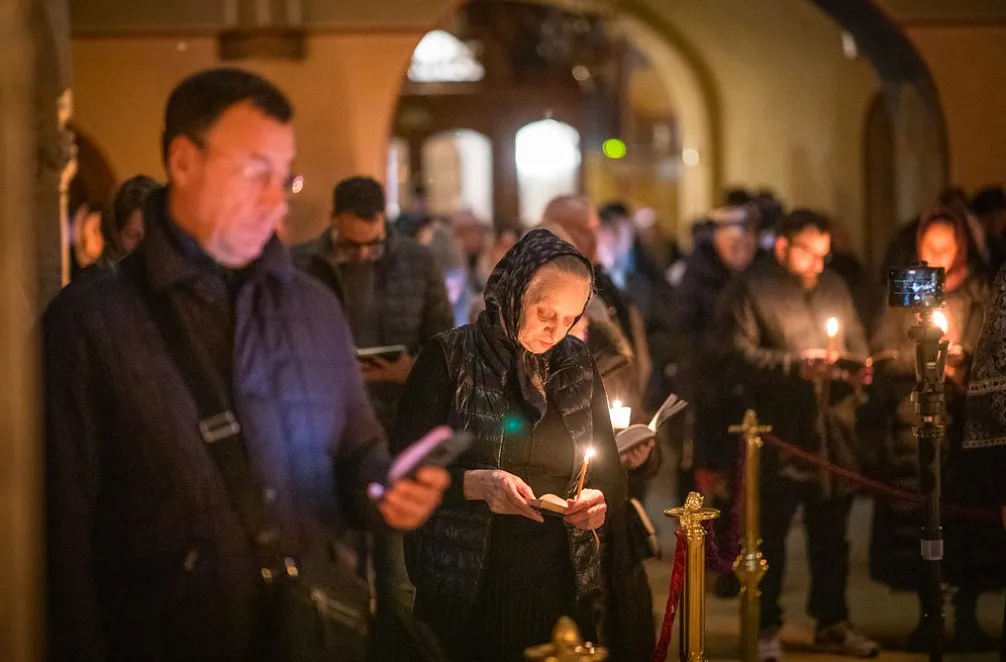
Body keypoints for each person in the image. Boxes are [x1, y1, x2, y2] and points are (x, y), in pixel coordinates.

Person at [43, 67, 449, 662]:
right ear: (183, 162)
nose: (276, 200)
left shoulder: (312, 307)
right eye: (256, 172)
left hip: (307, 634)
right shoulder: (89, 325)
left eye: (283, 177)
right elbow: (59, 544)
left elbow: (356, 451)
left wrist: (384, 491)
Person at [392, 228, 628, 662]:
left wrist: (597, 502)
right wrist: (476, 485)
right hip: (467, 587)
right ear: (513, 290)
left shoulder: (577, 364)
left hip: (560, 583)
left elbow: (610, 474)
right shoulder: (449, 358)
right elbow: (401, 471)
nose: (556, 331)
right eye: (545, 312)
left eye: (571, 319)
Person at [718, 209, 878, 662]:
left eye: (825, 255)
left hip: (831, 433)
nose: (819, 265)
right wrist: (794, 365)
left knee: (831, 538)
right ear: (784, 246)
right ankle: (766, 625)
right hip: (779, 434)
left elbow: (855, 339)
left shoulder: (833, 287)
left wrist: (855, 367)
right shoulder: (751, 288)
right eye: (811, 254)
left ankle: (832, 621)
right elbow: (736, 356)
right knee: (771, 538)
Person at [293, 175, 455, 435]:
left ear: (383, 220)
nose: (363, 254)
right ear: (333, 218)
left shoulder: (419, 262)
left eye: (373, 244)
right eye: (351, 245)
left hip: (402, 414)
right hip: (326, 415)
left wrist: (412, 370)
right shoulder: (301, 265)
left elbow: (444, 341)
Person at [98, 174, 160, 265]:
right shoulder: (100, 277)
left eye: (152, 234)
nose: (144, 246)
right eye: (133, 235)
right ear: (115, 235)